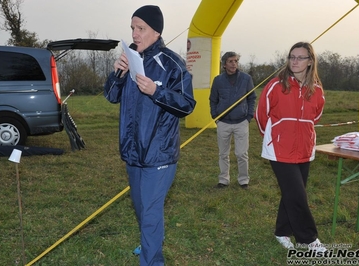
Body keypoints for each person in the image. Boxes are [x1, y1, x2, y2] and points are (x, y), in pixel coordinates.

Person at [104, 5, 196, 266]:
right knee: (142, 208)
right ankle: (148, 242)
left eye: (141, 28)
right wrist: (118, 75)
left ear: (156, 31)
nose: (135, 34)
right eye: (132, 28)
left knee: (152, 212)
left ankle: (152, 260)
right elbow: (111, 96)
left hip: (160, 154)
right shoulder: (130, 58)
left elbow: (187, 105)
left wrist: (156, 92)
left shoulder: (171, 64)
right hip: (133, 151)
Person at [255, 42, 326, 252]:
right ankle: (308, 238)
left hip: (304, 150)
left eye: (300, 57)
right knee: (297, 195)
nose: (294, 61)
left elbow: (316, 116)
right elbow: (261, 116)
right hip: (279, 150)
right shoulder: (275, 86)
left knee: (293, 193)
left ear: (310, 62)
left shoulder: (318, 90)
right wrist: (273, 137)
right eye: (291, 57)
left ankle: (282, 231)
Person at [209, 52, 256, 189]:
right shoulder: (218, 80)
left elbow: (252, 98)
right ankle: (223, 179)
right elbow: (213, 99)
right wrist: (215, 117)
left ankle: (243, 180)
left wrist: (248, 117)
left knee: (242, 153)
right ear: (224, 64)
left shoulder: (246, 79)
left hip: (241, 122)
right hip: (223, 122)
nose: (234, 63)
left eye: (235, 61)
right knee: (223, 153)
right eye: (230, 61)